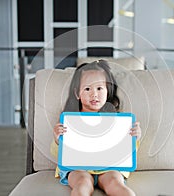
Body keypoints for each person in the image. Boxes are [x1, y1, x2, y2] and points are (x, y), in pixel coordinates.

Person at [51, 60, 141, 196]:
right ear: (77, 94)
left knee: (115, 183)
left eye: (99, 88)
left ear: (108, 91)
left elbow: (126, 151)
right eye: (87, 89)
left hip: (108, 168)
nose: (94, 94)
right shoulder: (70, 120)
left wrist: (135, 137)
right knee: (82, 183)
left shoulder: (116, 119)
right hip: (78, 168)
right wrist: (57, 139)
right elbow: (56, 153)